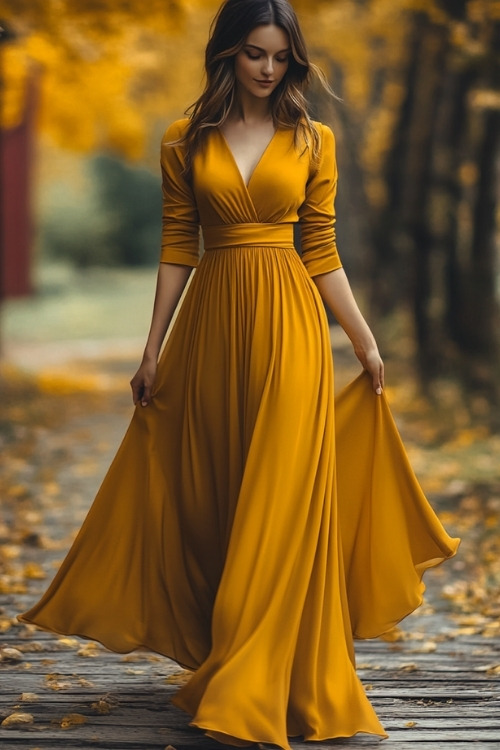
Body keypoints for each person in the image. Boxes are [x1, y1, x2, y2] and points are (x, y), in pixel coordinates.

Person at [19, 1, 459, 747]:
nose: (266, 68)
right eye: (254, 53)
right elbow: (176, 248)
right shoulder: (183, 140)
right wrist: (152, 349)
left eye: (279, 57)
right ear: (227, 54)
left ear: (293, 61)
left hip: (292, 331)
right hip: (211, 333)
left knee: (282, 499)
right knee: (222, 496)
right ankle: (235, 657)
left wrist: (365, 341)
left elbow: (319, 248)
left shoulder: (314, 140)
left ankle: (266, 678)